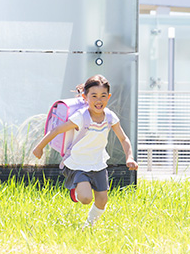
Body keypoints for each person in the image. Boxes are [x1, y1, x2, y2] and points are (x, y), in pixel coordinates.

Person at [33, 75, 138, 227]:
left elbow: (123, 139)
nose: (98, 100)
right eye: (93, 96)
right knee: (86, 199)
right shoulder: (81, 117)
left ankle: (88, 226)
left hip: (98, 164)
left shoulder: (110, 116)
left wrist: (129, 158)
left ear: (108, 97)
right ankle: (76, 190)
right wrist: (39, 147)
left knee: (102, 200)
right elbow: (57, 130)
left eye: (103, 96)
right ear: (85, 97)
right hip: (78, 164)